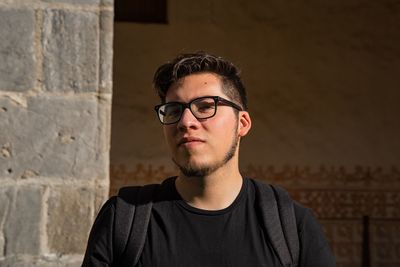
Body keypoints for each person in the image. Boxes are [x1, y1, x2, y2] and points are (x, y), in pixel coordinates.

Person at [82, 52, 336, 266]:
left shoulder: (293, 226)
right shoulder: (124, 219)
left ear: (242, 123)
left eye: (205, 106)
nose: (185, 122)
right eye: (174, 110)